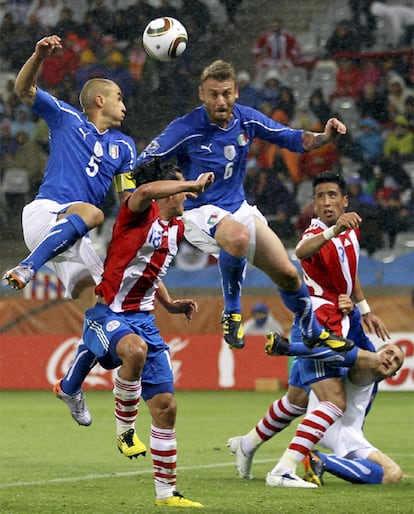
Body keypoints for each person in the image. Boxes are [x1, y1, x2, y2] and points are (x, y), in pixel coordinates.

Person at [136, 59, 353, 354]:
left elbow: (291, 137)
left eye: (226, 93)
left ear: (236, 92)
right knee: (237, 237)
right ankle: (232, 313)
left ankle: (312, 332)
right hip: (199, 211)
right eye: (214, 94)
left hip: (238, 208)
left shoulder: (247, 119)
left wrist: (325, 138)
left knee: (288, 274)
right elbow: (143, 162)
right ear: (202, 94)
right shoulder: (186, 128)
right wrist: (135, 198)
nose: (221, 101)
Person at [2, 35, 137, 426]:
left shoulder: (125, 147)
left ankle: (70, 384)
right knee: (93, 213)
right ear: (99, 101)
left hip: (72, 239)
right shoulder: (67, 117)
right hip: (46, 215)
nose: (124, 106)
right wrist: (39, 55)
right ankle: (28, 266)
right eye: (118, 98)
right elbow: (23, 89)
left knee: (105, 314)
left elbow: (127, 202)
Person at [227, 171, 389, 487]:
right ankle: (283, 470)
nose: (326, 202)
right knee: (333, 402)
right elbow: (301, 251)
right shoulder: (316, 232)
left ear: (345, 200)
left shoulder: (350, 230)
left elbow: (349, 273)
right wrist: (331, 233)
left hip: (338, 318)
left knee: (297, 400)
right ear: (313, 205)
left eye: (332, 195)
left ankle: (246, 444)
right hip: (317, 322)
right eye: (320, 197)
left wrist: (363, 308)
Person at [82, 159, 212, 507]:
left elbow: (148, 271)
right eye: (180, 187)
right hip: (108, 312)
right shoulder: (138, 211)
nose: (185, 194)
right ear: (169, 189)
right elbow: (144, 189)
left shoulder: (176, 228)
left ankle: (166, 493)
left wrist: (169, 305)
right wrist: (192, 184)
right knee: (135, 351)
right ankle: (125, 430)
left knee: (167, 408)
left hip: (145, 319)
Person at [302, 342, 404, 486]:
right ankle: (321, 460)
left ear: (393, 374)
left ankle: (322, 461)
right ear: (374, 354)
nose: (390, 359)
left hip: (337, 429)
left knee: (389, 474)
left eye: (396, 361)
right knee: (392, 473)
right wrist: (360, 318)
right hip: (338, 430)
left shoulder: (372, 383)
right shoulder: (365, 372)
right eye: (388, 353)